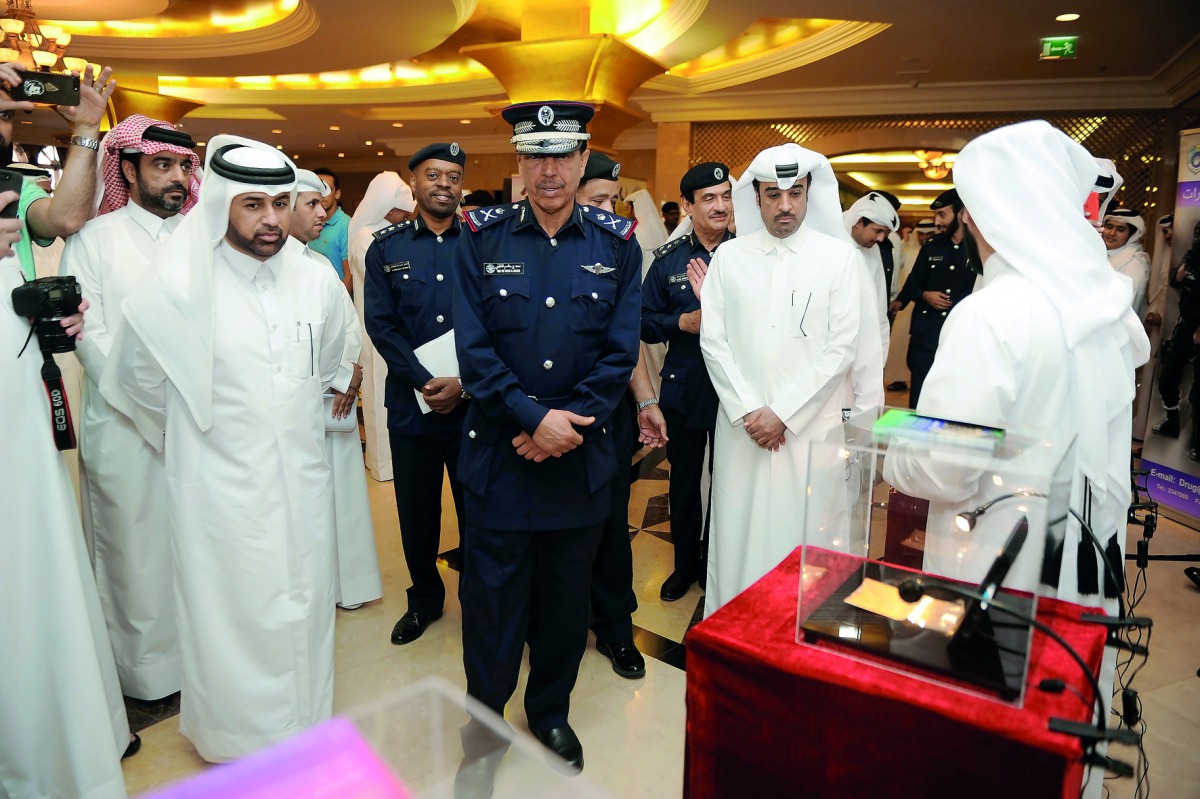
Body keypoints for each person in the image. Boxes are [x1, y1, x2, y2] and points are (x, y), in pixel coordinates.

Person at [885, 120, 1150, 799]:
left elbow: (945, 467)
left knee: (990, 744)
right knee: (1061, 739)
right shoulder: (1106, 305)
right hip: (1087, 562)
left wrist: (896, 450)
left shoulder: (993, 313)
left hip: (999, 567)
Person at [103, 134, 348, 763]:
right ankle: (238, 742)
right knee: (232, 617)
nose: (270, 220)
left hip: (303, 478)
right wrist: (200, 443)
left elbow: (328, 366)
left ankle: (306, 727)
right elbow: (136, 383)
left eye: (278, 203)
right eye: (252, 205)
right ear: (219, 204)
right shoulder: (177, 286)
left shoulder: (314, 278)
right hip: (217, 489)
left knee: (306, 608)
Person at [453, 100, 641, 771]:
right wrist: (534, 419)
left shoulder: (617, 243)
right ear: (519, 163)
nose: (550, 170)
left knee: (565, 603)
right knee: (492, 602)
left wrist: (567, 424)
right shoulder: (481, 235)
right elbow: (473, 351)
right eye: (537, 155)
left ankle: (551, 711)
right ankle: (484, 724)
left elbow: (620, 355)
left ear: (584, 159)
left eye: (563, 155)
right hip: (503, 456)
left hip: (579, 458)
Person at [0, 60, 135, 799]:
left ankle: (54, 725)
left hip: (14, 382)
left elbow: (67, 217)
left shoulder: (16, 189)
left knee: (33, 540)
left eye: (10, 116)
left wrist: (85, 127)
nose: (5, 125)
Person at [59, 113, 201, 702]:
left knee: (193, 549)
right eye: (161, 165)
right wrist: (151, 406)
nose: (176, 179)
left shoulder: (203, 241)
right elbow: (89, 337)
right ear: (128, 167)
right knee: (133, 552)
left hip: (196, 425)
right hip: (121, 424)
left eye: (183, 167)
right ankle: (144, 677)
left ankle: (197, 665)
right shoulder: (94, 238)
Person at [699, 142, 864, 616]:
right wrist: (752, 410)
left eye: (794, 193)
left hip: (807, 430)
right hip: (742, 428)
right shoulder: (730, 259)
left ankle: (796, 634)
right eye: (773, 194)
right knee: (737, 530)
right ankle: (733, 626)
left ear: (810, 191)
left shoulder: (838, 259)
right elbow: (714, 342)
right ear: (756, 198)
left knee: (803, 531)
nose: (785, 205)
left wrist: (783, 414)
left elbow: (841, 348)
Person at [365, 143, 469, 645]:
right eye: (434, 175)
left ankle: (481, 595)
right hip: (413, 406)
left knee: (480, 508)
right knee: (417, 513)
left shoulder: (481, 242)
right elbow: (382, 327)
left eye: (453, 175)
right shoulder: (386, 248)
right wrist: (425, 381)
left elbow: (496, 321)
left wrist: (463, 383)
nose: (444, 184)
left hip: (475, 406)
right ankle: (425, 599)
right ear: (415, 183)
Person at [574, 150, 664, 678]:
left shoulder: (622, 250)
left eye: (615, 200)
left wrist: (646, 401)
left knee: (610, 529)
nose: (609, 210)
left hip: (606, 418)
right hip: (544, 421)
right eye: (597, 200)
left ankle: (613, 629)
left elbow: (626, 342)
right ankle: (553, 626)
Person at [289, 168, 382, 610]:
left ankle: (348, 588)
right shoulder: (272, 268)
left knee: (342, 500)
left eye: (322, 203)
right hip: (298, 409)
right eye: (311, 204)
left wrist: (350, 375)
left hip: (337, 400)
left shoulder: (319, 263)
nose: (322, 212)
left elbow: (347, 325)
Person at [641, 161, 732, 600]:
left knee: (730, 480)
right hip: (685, 385)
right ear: (688, 206)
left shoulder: (748, 254)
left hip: (737, 391)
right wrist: (683, 321)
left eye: (726, 196)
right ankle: (683, 565)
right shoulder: (669, 262)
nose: (720, 206)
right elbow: (643, 322)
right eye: (709, 198)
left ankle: (717, 562)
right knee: (683, 481)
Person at [347, 171, 416, 481]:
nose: (405, 214)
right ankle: (383, 465)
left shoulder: (388, 232)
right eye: (401, 210)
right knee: (378, 394)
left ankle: (398, 462)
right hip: (376, 327)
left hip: (397, 326)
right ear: (387, 208)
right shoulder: (365, 236)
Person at [888, 189, 978, 407]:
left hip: (961, 336)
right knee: (920, 395)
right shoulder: (932, 247)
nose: (937, 221)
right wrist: (923, 296)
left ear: (961, 214)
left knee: (955, 396)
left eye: (942, 215)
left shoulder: (978, 248)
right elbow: (914, 282)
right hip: (926, 334)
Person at [841, 191, 897, 414]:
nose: (881, 239)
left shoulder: (872, 251)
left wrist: (879, 360)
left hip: (862, 354)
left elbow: (878, 310)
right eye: (878, 231)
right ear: (858, 222)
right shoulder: (829, 241)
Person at [1152, 219, 1200, 459]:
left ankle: (1197, 443)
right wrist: (1191, 256)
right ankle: (1172, 421)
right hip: (1185, 326)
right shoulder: (1192, 259)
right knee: (1167, 377)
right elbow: (1176, 280)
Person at [1102, 207, 1150, 316]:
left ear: (1132, 235)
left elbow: (1126, 310)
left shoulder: (1134, 265)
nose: (1112, 233)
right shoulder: (1102, 253)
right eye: (1109, 227)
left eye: (1120, 230)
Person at [311, 166, 351, 291]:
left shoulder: (346, 224)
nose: (322, 195)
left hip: (336, 301)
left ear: (337, 194)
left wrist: (341, 306)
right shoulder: (307, 223)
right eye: (318, 189)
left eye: (327, 189)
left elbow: (351, 275)